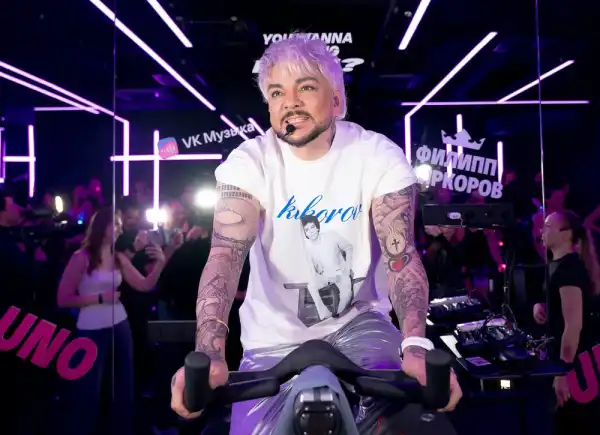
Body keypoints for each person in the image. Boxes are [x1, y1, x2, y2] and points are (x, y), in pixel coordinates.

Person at [170, 35, 462, 434]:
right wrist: (209, 352)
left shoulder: (377, 156)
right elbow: (224, 256)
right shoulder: (250, 162)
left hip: (362, 328)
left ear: (337, 101)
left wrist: (414, 344)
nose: (290, 102)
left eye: (305, 87)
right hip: (271, 341)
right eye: (277, 92)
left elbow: (401, 256)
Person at [57, 207, 166, 435]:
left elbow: (144, 285)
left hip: (120, 325)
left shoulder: (118, 257)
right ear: (101, 226)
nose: (119, 229)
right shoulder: (81, 257)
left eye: (119, 225)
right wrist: (99, 298)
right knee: (88, 390)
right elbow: (63, 299)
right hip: (90, 329)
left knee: (123, 387)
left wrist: (160, 264)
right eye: (114, 224)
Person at [533, 210, 600, 434]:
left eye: (548, 226)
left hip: (577, 365)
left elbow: (573, 325)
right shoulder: (557, 266)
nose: (542, 231)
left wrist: (563, 371)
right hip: (567, 360)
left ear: (566, 234)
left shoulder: (569, 269)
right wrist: (541, 306)